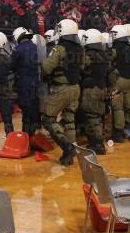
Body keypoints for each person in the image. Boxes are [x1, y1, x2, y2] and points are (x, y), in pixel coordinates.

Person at [42, 19, 84, 165]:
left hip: (62, 89)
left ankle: (67, 148)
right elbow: (82, 67)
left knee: (48, 119)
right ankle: (71, 154)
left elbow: (47, 67)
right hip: (76, 88)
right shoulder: (80, 49)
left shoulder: (59, 48)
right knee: (69, 121)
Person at [109, 24, 130, 142]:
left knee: (118, 108)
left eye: (113, 34)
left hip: (119, 81)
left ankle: (119, 134)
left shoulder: (115, 48)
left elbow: (109, 64)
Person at [79, 29, 108, 154]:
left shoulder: (87, 56)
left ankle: (97, 145)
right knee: (98, 116)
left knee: (92, 117)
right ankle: (96, 142)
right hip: (102, 88)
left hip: (91, 90)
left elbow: (80, 69)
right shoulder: (104, 55)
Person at [10, 27, 40, 136]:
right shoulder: (37, 47)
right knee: (34, 109)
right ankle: (34, 136)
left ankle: (26, 137)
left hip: (24, 84)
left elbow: (11, 65)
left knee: (26, 112)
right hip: (37, 83)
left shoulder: (18, 49)